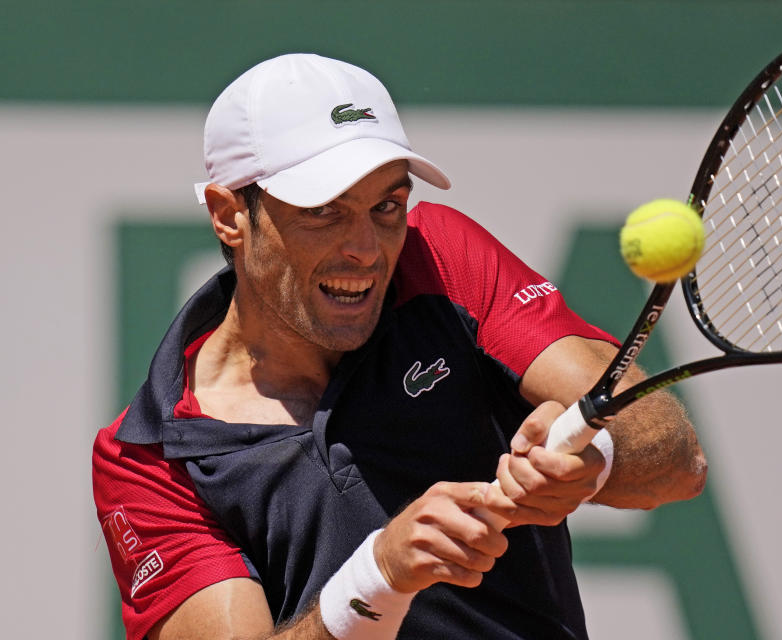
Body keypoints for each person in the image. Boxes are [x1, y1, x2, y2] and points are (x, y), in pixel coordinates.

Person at [92, 53, 706, 640]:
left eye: (387, 204)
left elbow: (678, 463)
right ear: (230, 215)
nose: (367, 246)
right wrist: (377, 578)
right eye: (325, 210)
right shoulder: (150, 455)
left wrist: (591, 461)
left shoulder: (442, 259)